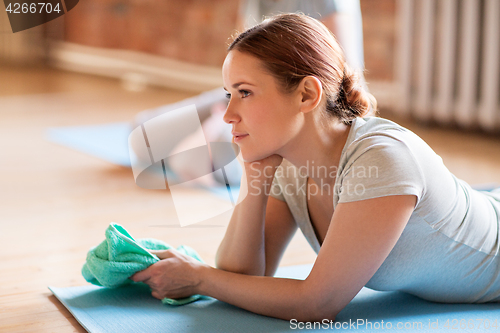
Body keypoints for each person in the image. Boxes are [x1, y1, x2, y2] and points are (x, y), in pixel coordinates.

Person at [130, 13, 500, 322]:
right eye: (229, 95)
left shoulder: (383, 159)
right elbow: (241, 274)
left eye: (244, 92)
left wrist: (198, 280)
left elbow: (317, 304)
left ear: (307, 94)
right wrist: (253, 177)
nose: (228, 114)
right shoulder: (290, 164)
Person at [132, 0, 368, 187]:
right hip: (255, 94)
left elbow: (337, 78)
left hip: (296, 106)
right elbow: (242, 63)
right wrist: (222, 112)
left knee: (188, 161)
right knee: (140, 135)